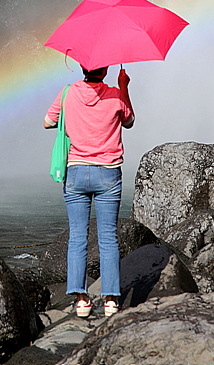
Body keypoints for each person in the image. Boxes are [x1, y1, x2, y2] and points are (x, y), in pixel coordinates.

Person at [44, 65, 134, 318]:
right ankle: (110, 301)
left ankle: (82, 300)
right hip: (107, 172)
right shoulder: (116, 94)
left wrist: (72, 119)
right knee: (107, 238)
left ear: (83, 67)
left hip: (75, 173)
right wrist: (124, 86)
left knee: (77, 237)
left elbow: (47, 122)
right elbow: (129, 121)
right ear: (104, 70)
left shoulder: (67, 92)